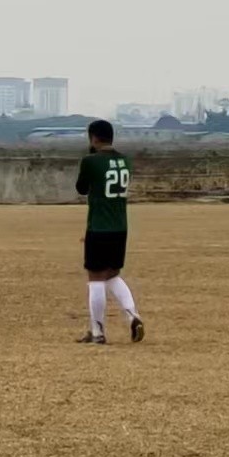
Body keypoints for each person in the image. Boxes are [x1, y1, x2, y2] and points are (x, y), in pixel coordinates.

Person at [76, 119, 144, 345]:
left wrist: (89, 159)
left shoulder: (90, 161)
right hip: (120, 226)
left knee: (95, 277)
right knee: (112, 274)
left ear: (93, 138)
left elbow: (81, 188)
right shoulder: (125, 161)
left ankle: (97, 331)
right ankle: (133, 315)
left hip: (98, 225)